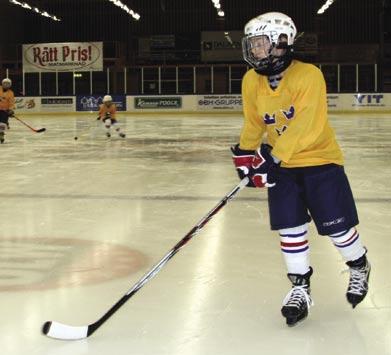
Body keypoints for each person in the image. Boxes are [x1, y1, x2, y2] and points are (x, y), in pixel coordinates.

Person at [231, 12, 370, 326]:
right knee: (290, 227)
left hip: (320, 162)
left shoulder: (309, 75)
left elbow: (308, 124)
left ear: (281, 43)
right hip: (282, 166)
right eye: (252, 44)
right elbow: (254, 122)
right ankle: (300, 288)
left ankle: (359, 264)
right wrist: (243, 153)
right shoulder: (251, 80)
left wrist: (274, 157)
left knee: (337, 228)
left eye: (260, 43)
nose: (254, 50)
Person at [0, 78, 15, 143]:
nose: (6, 85)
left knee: (2, 123)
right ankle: (6, 124)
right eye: (5, 83)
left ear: (10, 85)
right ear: (2, 84)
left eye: (8, 84)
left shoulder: (11, 93)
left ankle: (1, 134)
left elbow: (11, 103)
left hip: (4, 111)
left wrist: (11, 110)